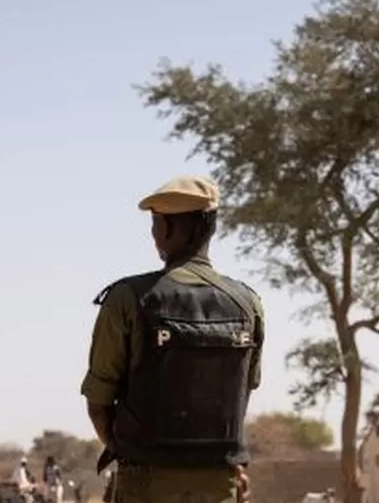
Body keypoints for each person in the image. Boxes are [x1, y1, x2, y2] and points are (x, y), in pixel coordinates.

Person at [81, 175, 265, 503]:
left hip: (145, 483)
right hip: (220, 483)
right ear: (212, 228)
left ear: (164, 228)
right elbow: (243, 392)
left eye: (155, 225)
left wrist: (131, 452)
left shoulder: (128, 298)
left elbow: (98, 403)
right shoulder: (247, 303)